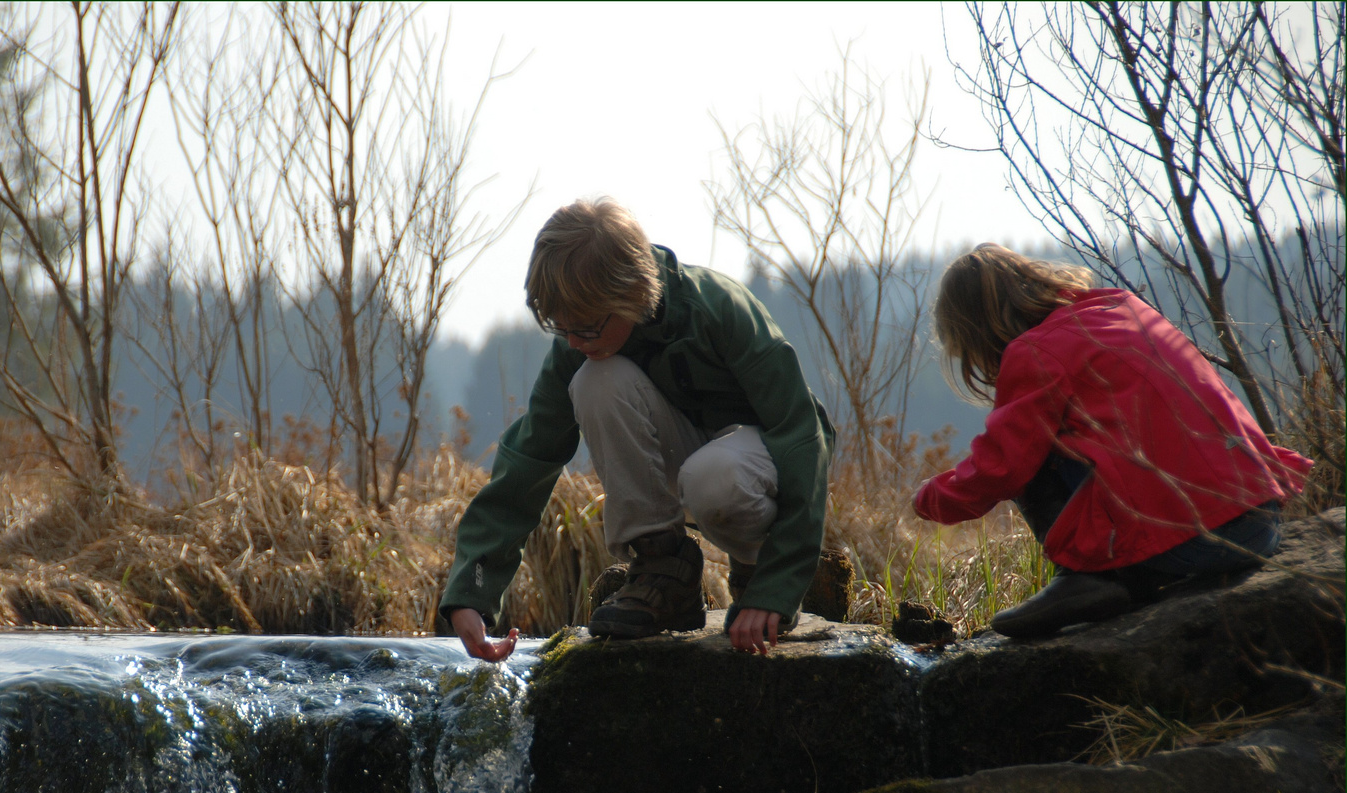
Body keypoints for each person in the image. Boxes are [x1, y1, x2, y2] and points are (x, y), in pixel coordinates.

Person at [441, 198, 835, 660]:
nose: (572, 342)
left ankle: (753, 568)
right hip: (700, 460)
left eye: (584, 328)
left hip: (762, 462)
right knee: (592, 381)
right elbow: (530, 458)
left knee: (712, 477)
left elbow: (801, 437)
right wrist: (472, 592)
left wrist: (776, 587)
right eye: (559, 327)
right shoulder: (582, 344)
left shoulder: (719, 309)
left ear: (627, 295)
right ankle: (663, 570)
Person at [914, 243, 1312, 638]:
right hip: (1260, 519)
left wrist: (929, 499)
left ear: (974, 329)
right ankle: (1126, 580)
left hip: (1201, 542)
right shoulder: (1123, 308)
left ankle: (1088, 577)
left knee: (1033, 447)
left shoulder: (1034, 352)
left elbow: (1001, 467)